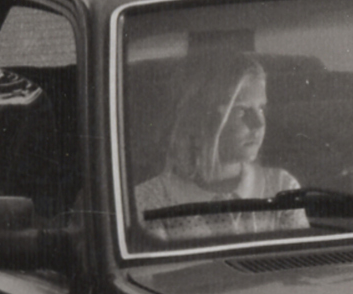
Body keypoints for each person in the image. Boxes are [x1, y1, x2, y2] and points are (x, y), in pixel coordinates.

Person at [129, 52, 306, 239]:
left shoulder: (281, 187)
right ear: (198, 119)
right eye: (240, 110)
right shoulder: (150, 200)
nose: (259, 123)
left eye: (260, 108)